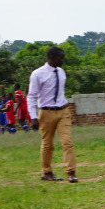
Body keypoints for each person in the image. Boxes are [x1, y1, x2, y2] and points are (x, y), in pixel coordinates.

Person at [27, 46, 77, 182]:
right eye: (61, 57)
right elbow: (31, 96)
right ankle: (47, 172)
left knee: (67, 142)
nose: (63, 60)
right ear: (53, 58)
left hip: (63, 110)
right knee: (48, 145)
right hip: (46, 112)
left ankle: (71, 172)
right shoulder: (38, 74)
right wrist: (33, 117)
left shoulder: (61, 72)